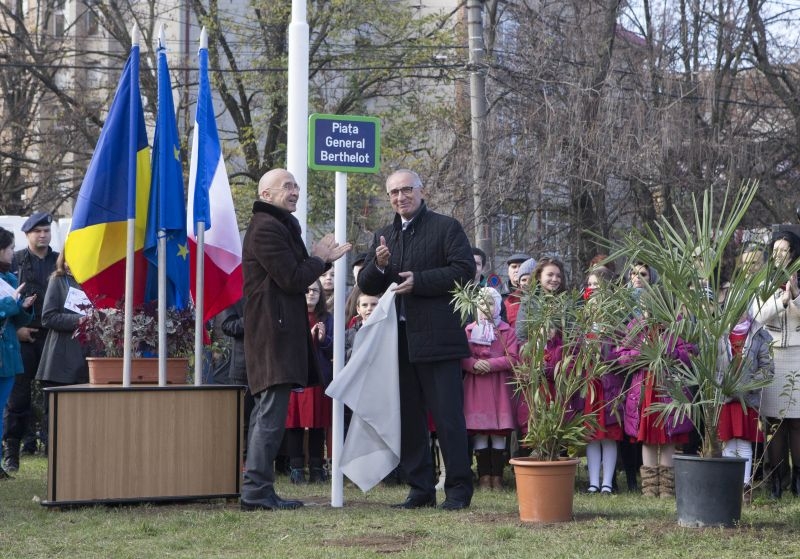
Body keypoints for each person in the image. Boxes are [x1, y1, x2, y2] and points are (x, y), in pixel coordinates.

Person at [358, 169, 475, 510]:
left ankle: (457, 491)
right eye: (393, 193)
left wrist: (419, 281)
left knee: (448, 418)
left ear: (421, 191)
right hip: (398, 342)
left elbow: (464, 269)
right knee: (409, 418)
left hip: (438, 339)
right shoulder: (384, 235)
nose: (400, 198)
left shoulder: (446, 227)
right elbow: (368, 284)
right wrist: (378, 267)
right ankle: (420, 489)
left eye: (406, 190)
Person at [240, 168, 350, 511]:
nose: (295, 190)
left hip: (278, 331)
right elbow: (292, 278)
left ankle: (259, 489)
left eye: (296, 185)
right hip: (274, 333)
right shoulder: (267, 228)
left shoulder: (278, 226)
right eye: (287, 186)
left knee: (268, 414)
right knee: (269, 415)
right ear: (266, 194)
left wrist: (316, 258)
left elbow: (296, 273)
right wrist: (319, 258)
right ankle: (256, 491)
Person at [2, 211, 57, 472]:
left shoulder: (59, 261)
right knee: (18, 397)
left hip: (52, 336)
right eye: (38, 231)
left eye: (46, 230)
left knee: (52, 394)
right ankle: (12, 452)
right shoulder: (17, 261)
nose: (43, 234)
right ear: (28, 234)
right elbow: (8, 300)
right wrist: (18, 328)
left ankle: (51, 445)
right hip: (23, 338)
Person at [750, 230, 800, 498]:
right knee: (774, 422)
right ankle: (776, 479)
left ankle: (798, 479)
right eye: (776, 250)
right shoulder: (762, 281)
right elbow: (757, 315)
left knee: (797, 422)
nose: (780, 255)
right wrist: (781, 301)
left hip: (798, 353)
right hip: (773, 354)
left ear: (794, 253)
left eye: (785, 250)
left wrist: (795, 294)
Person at [461, 287, 519, 490]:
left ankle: (497, 476)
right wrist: (473, 364)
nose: (486, 307)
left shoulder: (507, 331)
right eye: (482, 303)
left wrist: (491, 364)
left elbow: (513, 357)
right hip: (476, 387)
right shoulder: (468, 330)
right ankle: (484, 476)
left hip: (498, 387)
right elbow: (461, 356)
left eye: (491, 302)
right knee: (480, 431)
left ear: (498, 306)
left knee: (497, 431)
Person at [717, 308, 773, 498]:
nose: (737, 312)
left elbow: (767, 369)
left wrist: (747, 385)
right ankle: (729, 485)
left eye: (742, 309)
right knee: (728, 442)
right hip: (725, 398)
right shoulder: (719, 333)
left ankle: (744, 486)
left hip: (747, 399)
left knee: (743, 443)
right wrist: (723, 385)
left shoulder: (758, 335)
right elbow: (711, 365)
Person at [35, 253, 89, 444]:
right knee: (57, 416)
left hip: (88, 360)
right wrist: (80, 320)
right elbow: (48, 317)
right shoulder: (58, 281)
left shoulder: (93, 281)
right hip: (60, 361)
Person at [581, 266, 625, 494]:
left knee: (609, 434)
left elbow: (622, 348)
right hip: (590, 381)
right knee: (591, 434)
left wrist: (608, 354)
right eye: (590, 285)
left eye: (597, 285)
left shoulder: (617, 314)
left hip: (609, 381)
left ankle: (607, 481)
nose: (593, 289)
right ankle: (592, 481)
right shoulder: (584, 315)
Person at [285, 279, 333, 484]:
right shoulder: (292, 315)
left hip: (319, 377)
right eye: (307, 290)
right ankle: (296, 468)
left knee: (317, 423)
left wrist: (323, 340)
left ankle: (316, 468)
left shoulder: (327, 318)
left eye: (315, 290)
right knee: (294, 422)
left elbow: (334, 349)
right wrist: (307, 337)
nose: (311, 293)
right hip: (296, 375)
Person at [0, 227, 36, 479]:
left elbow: (17, 318)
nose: (13, 253)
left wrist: (24, 307)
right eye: (10, 248)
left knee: (0, 410)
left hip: (8, 354)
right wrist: (12, 304)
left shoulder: (11, 279)